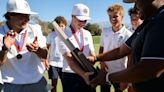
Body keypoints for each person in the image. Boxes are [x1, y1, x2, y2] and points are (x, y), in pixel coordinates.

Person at [87, 0, 164, 92]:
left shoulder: (161, 19)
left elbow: (149, 68)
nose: (135, 7)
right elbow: (121, 50)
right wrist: (96, 58)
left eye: (137, 1)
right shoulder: (146, 24)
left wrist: (107, 78)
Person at [0, 0, 48, 92]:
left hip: (36, 82)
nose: (27, 19)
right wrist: (5, 49)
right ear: (10, 14)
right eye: (23, 15)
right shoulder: (0, 32)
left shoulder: (35, 29)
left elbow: (45, 55)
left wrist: (37, 50)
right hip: (10, 85)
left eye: (28, 15)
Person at [58, 3, 96, 92]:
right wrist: (83, 74)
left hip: (88, 72)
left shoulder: (87, 33)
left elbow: (92, 53)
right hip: (71, 76)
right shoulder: (62, 34)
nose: (82, 23)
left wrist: (93, 61)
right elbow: (69, 59)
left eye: (85, 20)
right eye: (80, 20)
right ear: (72, 16)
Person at [99, 4, 132, 92]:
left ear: (122, 16)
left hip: (120, 74)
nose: (112, 19)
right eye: (110, 16)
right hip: (105, 72)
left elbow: (130, 57)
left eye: (115, 16)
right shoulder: (105, 31)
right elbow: (101, 48)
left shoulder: (128, 35)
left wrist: (127, 77)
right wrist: (102, 63)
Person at [46, 16, 67, 92]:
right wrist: (45, 60)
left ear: (65, 26)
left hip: (64, 64)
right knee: (53, 84)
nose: (60, 28)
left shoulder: (67, 35)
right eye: (58, 26)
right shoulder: (51, 35)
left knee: (65, 84)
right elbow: (46, 48)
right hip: (52, 63)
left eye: (62, 26)